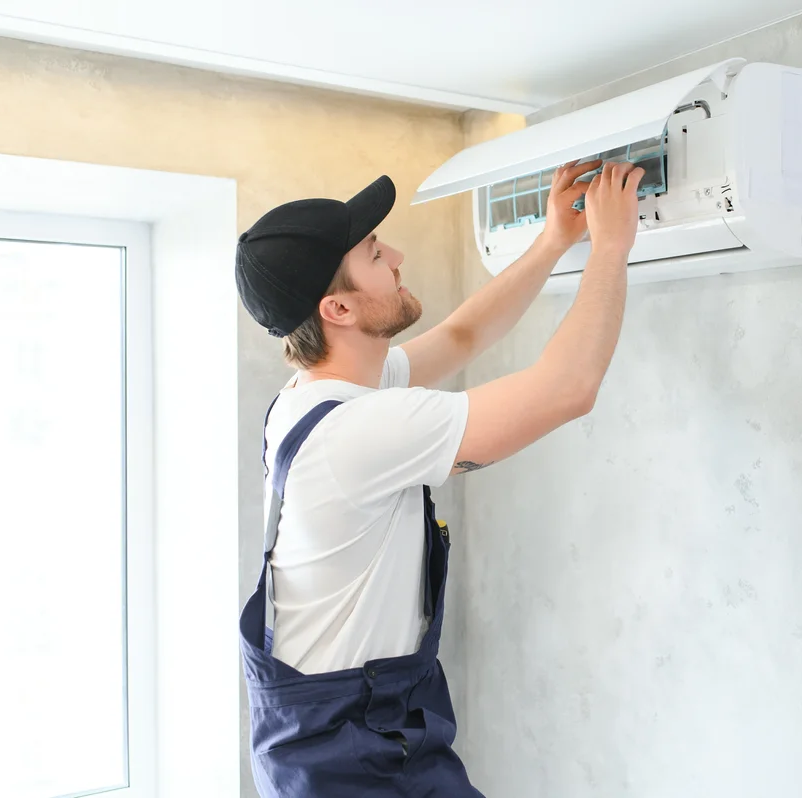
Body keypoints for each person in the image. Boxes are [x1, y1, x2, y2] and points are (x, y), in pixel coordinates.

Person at [234, 158, 644, 796]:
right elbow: (567, 389)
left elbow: (462, 334)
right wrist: (612, 247)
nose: (395, 254)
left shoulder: (319, 394)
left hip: (351, 733)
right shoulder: (355, 433)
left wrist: (556, 240)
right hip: (352, 760)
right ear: (338, 306)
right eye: (374, 252)